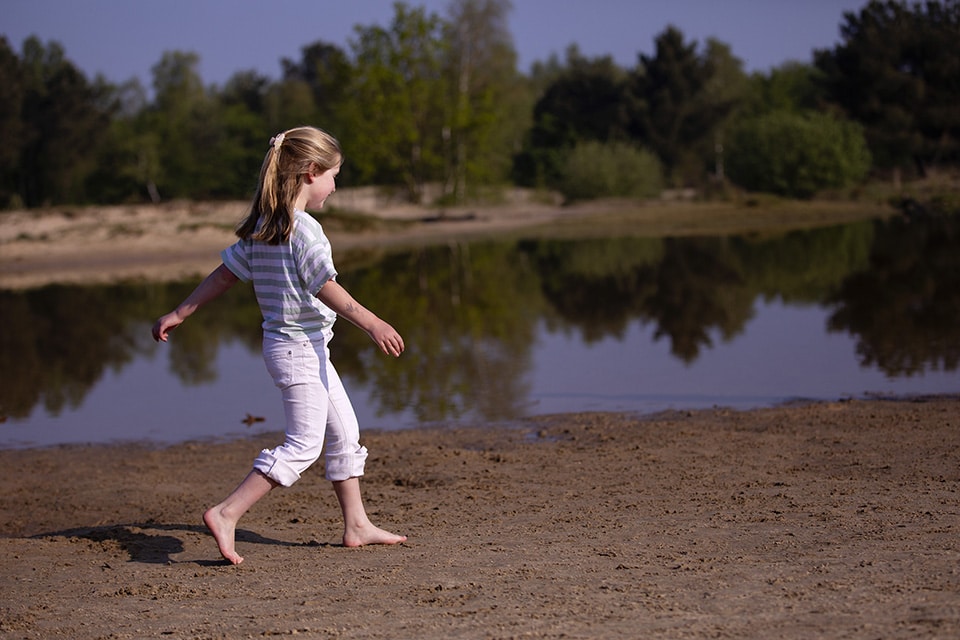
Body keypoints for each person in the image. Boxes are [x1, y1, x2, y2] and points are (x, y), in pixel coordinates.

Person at [152, 126, 407, 565]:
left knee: (345, 432)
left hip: (301, 347)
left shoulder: (264, 225)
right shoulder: (303, 230)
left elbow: (224, 275)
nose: (334, 185)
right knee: (304, 443)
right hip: (297, 350)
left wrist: (181, 311)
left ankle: (357, 524)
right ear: (311, 173)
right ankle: (227, 512)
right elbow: (326, 287)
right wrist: (373, 323)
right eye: (333, 175)